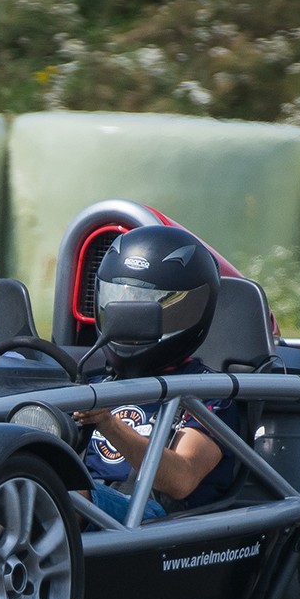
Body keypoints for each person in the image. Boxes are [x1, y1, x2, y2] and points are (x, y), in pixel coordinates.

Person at [72, 224, 239, 523]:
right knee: (24, 482)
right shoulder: (96, 380)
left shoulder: (207, 394)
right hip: (86, 505)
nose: (126, 317)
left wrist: (108, 424)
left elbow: (181, 479)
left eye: (142, 304)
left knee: (60, 494)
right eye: (118, 297)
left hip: (155, 518)